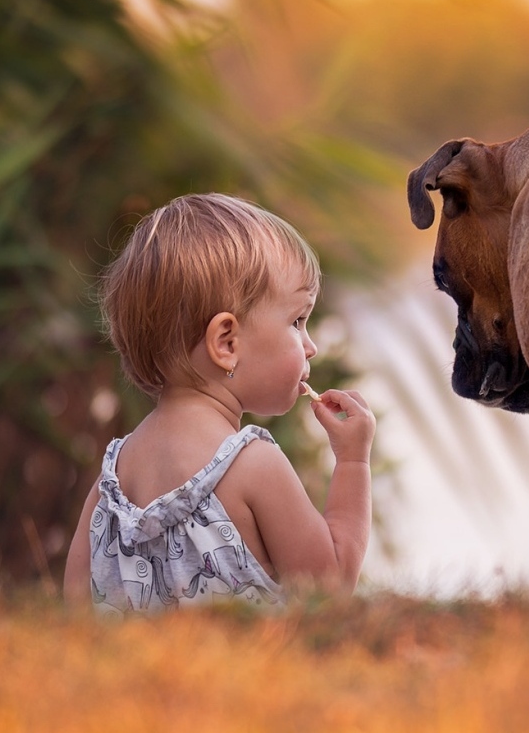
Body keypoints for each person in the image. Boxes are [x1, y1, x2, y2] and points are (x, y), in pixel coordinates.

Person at [62, 193, 375, 613]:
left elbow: (75, 612)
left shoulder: (109, 485)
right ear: (226, 343)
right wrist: (354, 461)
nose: (311, 346)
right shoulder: (252, 464)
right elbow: (328, 592)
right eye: (297, 322)